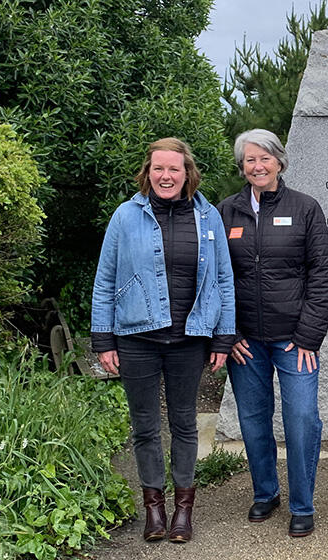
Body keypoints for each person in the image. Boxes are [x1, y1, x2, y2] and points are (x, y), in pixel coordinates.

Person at [91, 137, 236, 544]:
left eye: (174, 169)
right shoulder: (125, 217)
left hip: (190, 339)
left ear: (187, 172)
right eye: (158, 168)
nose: (166, 175)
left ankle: (183, 511)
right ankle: (153, 509)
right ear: (147, 172)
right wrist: (103, 340)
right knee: (144, 426)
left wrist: (223, 337)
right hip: (136, 336)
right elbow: (105, 281)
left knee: (184, 423)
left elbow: (223, 280)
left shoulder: (208, 218)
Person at [213, 129, 328, 538]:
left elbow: (322, 276)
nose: (257, 166)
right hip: (246, 342)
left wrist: (308, 337)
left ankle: (302, 504)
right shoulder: (226, 212)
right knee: (252, 419)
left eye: (264, 158)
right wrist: (228, 335)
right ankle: (266, 492)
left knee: (302, 419)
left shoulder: (305, 208)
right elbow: (213, 277)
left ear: (280, 161)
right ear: (242, 166)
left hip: (294, 341)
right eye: (249, 160)